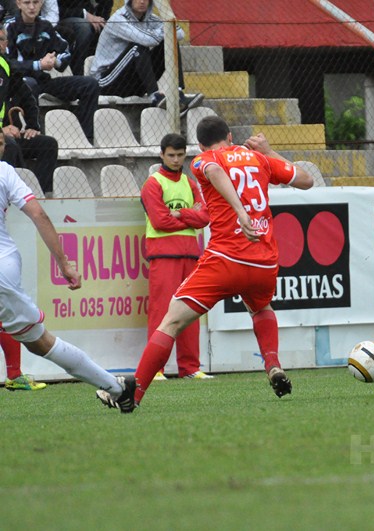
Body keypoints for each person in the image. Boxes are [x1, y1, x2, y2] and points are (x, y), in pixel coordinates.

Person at [97, 116, 314, 412]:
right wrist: (269, 150)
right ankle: (273, 365)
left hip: (225, 260)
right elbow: (306, 180)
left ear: (198, 145)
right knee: (261, 308)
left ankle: (133, 396)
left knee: (171, 322)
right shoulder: (258, 158)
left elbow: (213, 170)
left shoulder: (204, 160)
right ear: (229, 134)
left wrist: (239, 210)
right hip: (263, 261)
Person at [0, 133, 136, 410]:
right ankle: (116, 388)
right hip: (5, 267)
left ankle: (116, 388)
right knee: (39, 341)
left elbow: (40, 215)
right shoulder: (4, 172)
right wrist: (64, 263)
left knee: (39, 342)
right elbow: (39, 214)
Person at [141, 133, 210, 380]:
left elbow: (206, 217)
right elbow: (159, 222)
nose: (176, 159)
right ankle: (156, 369)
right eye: (171, 155)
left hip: (190, 254)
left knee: (190, 311)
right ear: (161, 154)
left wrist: (180, 215)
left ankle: (190, 368)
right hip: (164, 254)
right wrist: (189, 214)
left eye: (180, 155)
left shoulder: (190, 183)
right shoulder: (153, 183)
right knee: (161, 312)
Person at [5, 0, 100, 141]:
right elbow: (8, 64)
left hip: (44, 81)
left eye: (36, 2)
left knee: (90, 84)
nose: (32, 7)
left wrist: (56, 61)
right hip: (19, 83)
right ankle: (34, 133)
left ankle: (85, 137)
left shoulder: (45, 25)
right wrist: (38, 65)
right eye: (27, 2)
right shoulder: (9, 27)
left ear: (42, 3)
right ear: (18, 4)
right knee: (29, 83)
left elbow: (64, 49)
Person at [89, 0, 203, 115]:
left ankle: (178, 94)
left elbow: (179, 33)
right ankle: (155, 96)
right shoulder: (118, 19)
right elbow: (146, 40)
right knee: (138, 47)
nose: (142, 1)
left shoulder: (150, 18)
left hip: (132, 81)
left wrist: (159, 33)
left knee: (170, 41)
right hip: (107, 82)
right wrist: (162, 31)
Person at [0, 27, 58, 196]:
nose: (1, 44)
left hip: (4, 136)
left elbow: (26, 95)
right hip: (3, 137)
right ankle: (18, 196)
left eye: (3, 40)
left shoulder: (5, 64)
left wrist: (33, 125)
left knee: (48, 145)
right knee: (9, 146)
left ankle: (38, 195)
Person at [55, 0, 112, 76]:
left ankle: (102, 74)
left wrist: (100, 22)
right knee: (84, 27)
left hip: (89, 23)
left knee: (107, 29)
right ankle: (78, 74)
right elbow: (58, 10)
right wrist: (84, 14)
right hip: (62, 20)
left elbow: (103, 17)